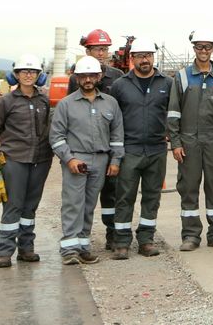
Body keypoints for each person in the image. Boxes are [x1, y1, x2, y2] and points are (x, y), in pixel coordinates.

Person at [167, 30, 213, 251]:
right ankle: (190, 235)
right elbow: (173, 113)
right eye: (199, 47)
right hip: (188, 142)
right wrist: (176, 144)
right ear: (194, 48)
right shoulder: (182, 77)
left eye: (208, 47)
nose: (204, 51)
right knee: (188, 188)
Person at [50, 56, 124, 265]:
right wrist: (69, 159)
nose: (88, 79)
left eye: (92, 75)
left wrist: (115, 161)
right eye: (84, 76)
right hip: (76, 159)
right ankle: (69, 249)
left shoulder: (110, 104)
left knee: (89, 205)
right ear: (77, 78)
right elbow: (56, 137)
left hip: (101, 160)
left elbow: (117, 137)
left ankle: (83, 246)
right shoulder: (66, 105)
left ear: (100, 77)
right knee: (73, 204)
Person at [109, 38, 171, 259]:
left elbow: (173, 114)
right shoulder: (120, 85)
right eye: (140, 56)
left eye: (149, 55)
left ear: (153, 57)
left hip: (157, 149)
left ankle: (146, 240)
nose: (145, 60)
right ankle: (122, 242)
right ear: (132, 58)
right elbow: (113, 119)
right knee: (125, 196)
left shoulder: (166, 83)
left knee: (152, 196)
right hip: (130, 149)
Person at [0, 55, 53, 267]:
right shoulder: (6, 101)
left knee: (30, 206)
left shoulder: (44, 100)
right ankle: (5, 252)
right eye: (24, 72)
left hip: (41, 159)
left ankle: (26, 249)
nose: (28, 75)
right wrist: (14, 146)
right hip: (14, 159)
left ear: (39, 76)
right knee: (13, 205)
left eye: (33, 72)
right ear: (15, 75)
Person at [68, 29, 125, 249]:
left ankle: (112, 234)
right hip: (85, 148)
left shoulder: (117, 77)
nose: (101, 53)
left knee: (112, 194)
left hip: (110, 146)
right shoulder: (77, 77)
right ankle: (81, 239)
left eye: (104, 49)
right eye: (97, 49)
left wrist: (117, 153)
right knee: (84, 197)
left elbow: (120, 116)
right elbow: (72, 110)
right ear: (87, 50)